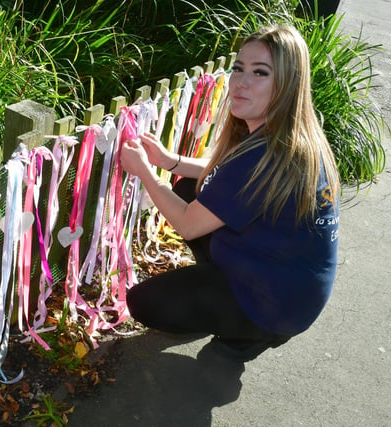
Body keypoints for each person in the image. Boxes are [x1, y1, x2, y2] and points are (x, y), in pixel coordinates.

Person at [120, 24, 340, 361]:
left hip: (275, 307)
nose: (240, 82)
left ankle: (245, 334)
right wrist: (170, 161)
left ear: (288, 84)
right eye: (238, 68)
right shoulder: (290, 136)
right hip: (292, 285)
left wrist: (145, 172)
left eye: (260, 73)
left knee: (142, 303)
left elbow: (188, 225)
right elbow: (224, 174)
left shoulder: (264, 156)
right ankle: (217, 297)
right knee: (190, 188)